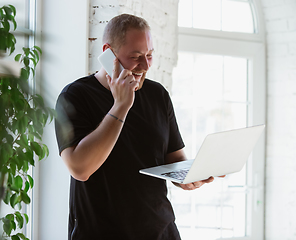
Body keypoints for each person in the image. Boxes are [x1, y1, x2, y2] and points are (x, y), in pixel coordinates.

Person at [55, 14, 214, 240]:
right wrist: (121, 106)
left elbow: (173, 159)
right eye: (136, 56)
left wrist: (189, 177)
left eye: (149, 55)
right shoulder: (75, 96)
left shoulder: (158, 95)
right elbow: (80, 169)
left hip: (161, 232)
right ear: (108, 52)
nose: (146, 65)